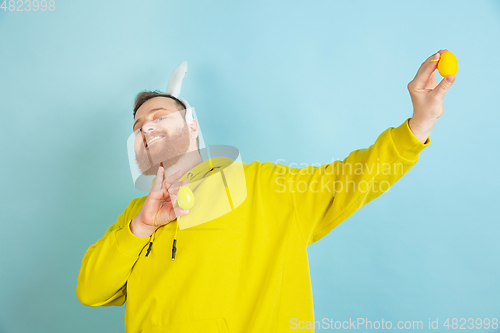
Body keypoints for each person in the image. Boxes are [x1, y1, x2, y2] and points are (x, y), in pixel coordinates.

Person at [76, 50, 455, 333]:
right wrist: (142, 226)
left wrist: (420, 123)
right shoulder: (134, 218)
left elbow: (354, 178)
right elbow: (91, 291)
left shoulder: (264, 187)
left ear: (193, 124)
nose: (145, 128)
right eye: (138, 125)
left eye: (159, 117)